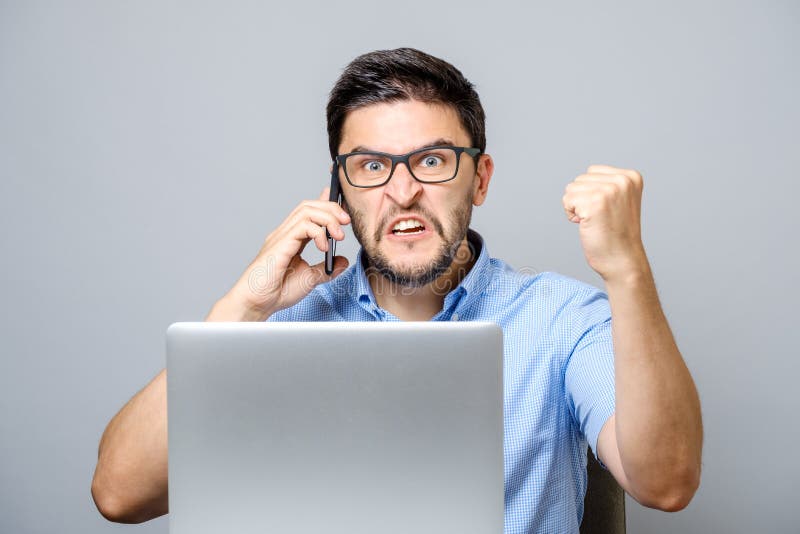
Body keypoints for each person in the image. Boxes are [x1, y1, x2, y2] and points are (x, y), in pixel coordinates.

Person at [91, 48, 703, 532]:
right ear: (340, 187)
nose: (402, 191)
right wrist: (242, 307)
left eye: (432, 161)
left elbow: (666, 483)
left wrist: (627, 271)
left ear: (479, 179)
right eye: (371, 165)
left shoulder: (564, 317)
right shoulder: (273, 328)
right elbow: (120, 495)